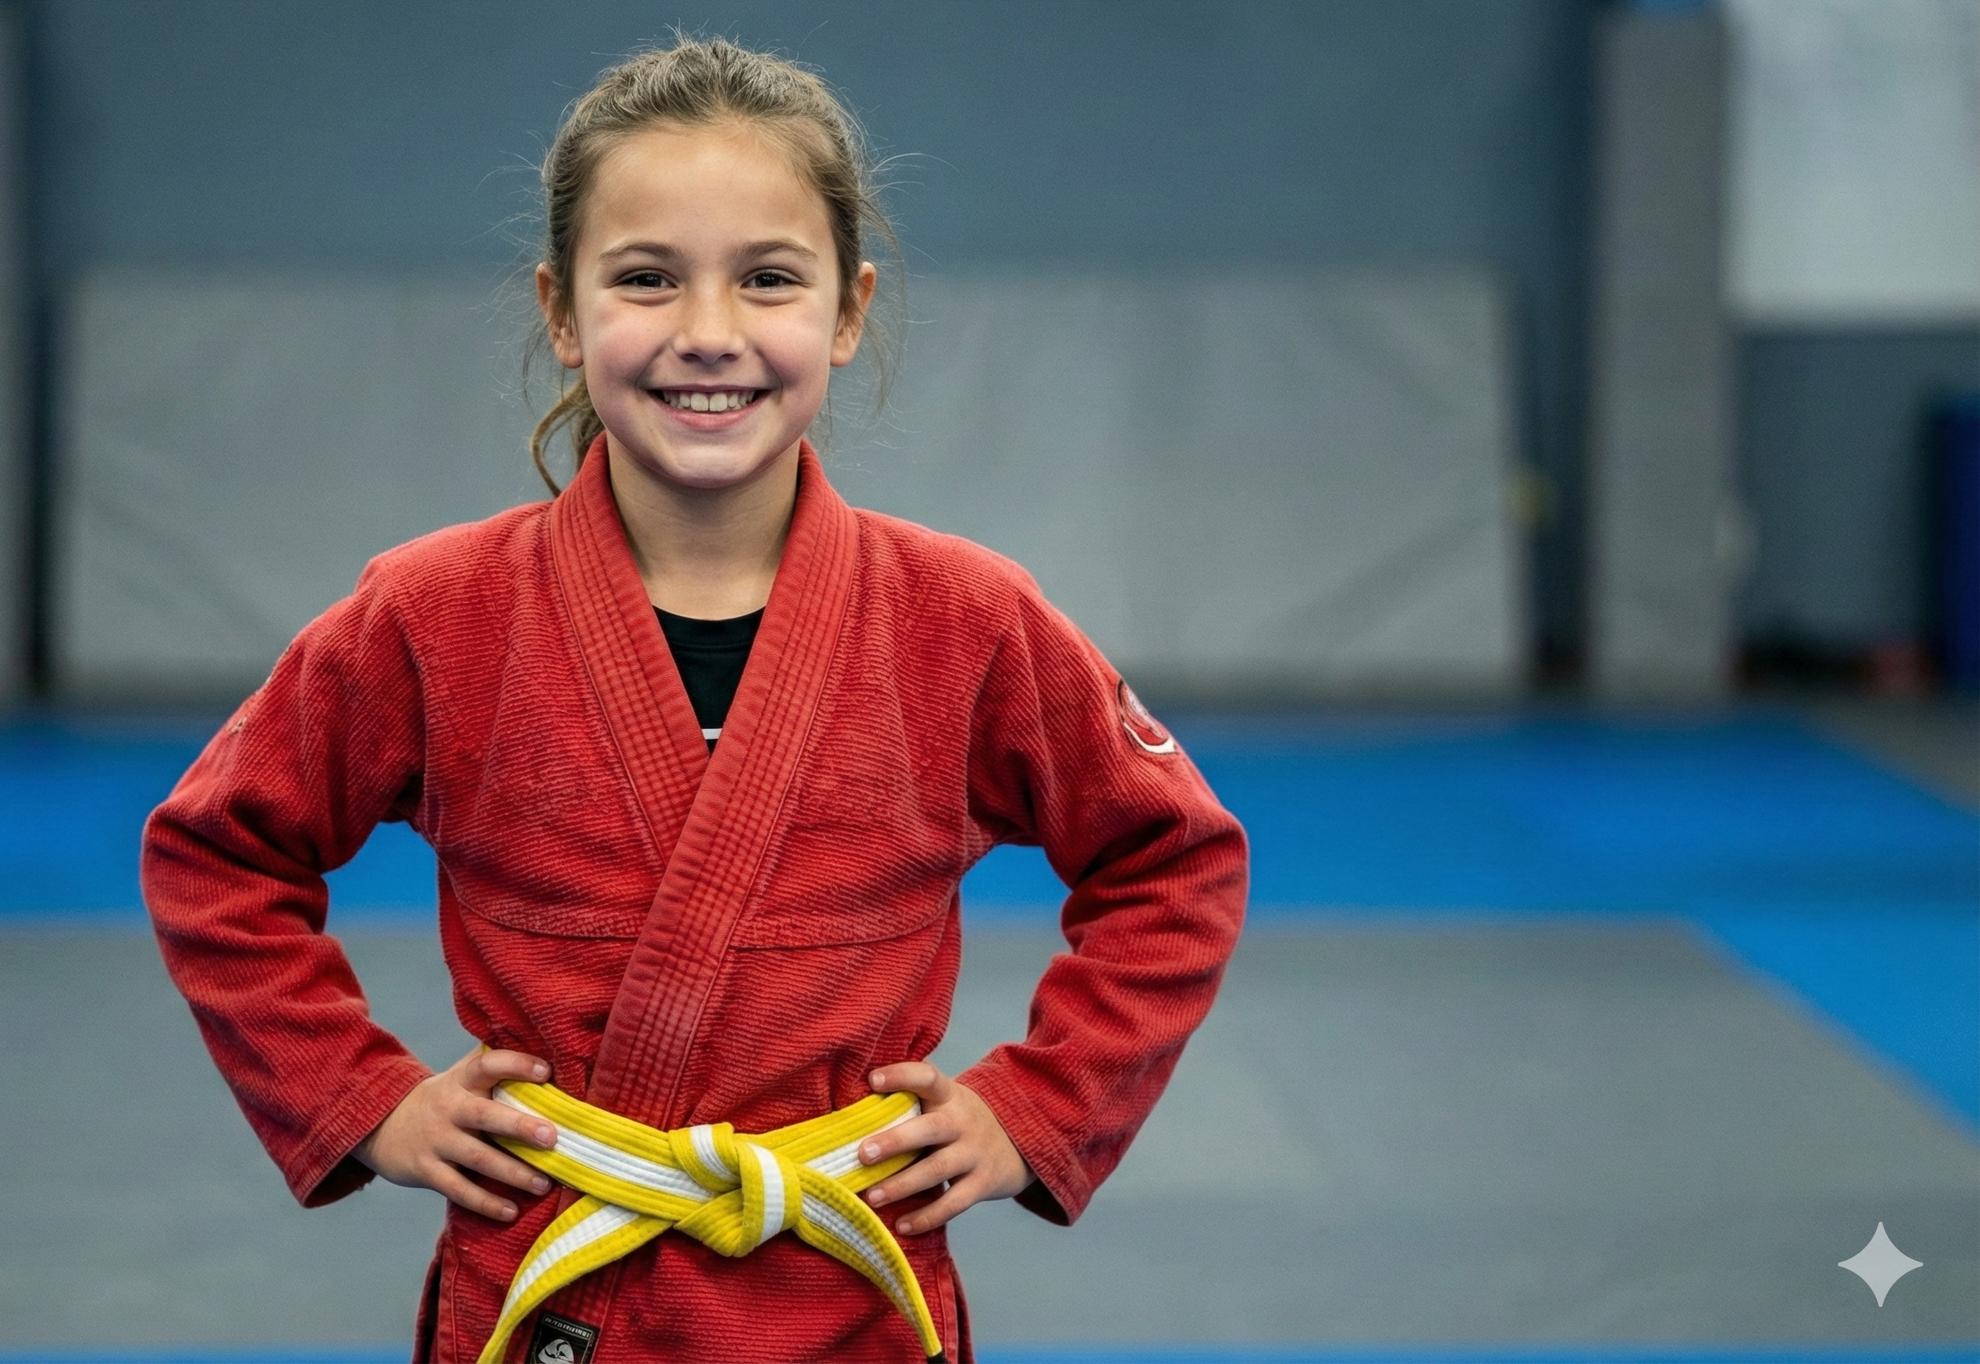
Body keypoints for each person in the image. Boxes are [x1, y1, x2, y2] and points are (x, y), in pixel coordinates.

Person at [142, 36, 1247, 1364]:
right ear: (562, 310)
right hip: (564, 1284)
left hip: (844, 1290)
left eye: (769, 280)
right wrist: (364, 1098)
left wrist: (1041, 1107)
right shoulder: (436, 613)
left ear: (848, 310)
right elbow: (216, 849)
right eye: (647, 279)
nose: (709, 333)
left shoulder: (966, 618)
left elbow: (1174, 860)